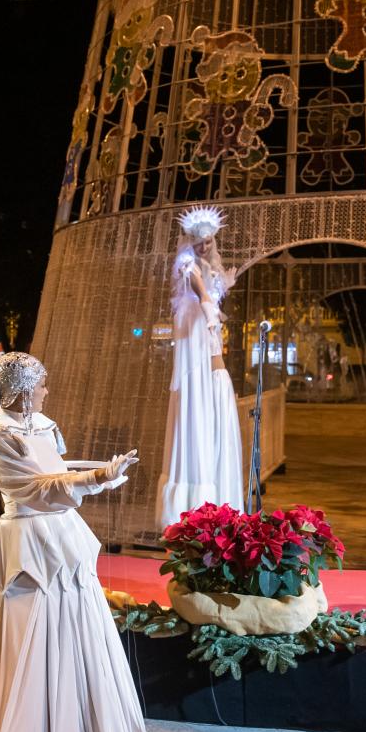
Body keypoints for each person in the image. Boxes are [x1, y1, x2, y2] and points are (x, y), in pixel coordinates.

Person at [0, 352, 144, 732]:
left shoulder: (47, 426)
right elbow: (33, 490)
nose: (47, 390)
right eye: (42, 384)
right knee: (25, 642)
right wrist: (95, 478)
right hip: (27, 541)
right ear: (24, 390)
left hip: (62, 538)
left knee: (73, 633)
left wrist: (103, 477)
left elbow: (57, 475)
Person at [156, 205, 245, 526]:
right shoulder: (188, 264)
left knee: (216, 429)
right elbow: (197, 286)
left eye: (209, 240)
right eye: (199, 240)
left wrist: (220, 290)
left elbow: (209, 287)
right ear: (190, 239)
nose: (204, 245)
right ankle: (195, 509)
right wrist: (209, 305)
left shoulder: (207, 266)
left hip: (211, 366)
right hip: (197, 367)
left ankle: (218, 509)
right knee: (200, 426)